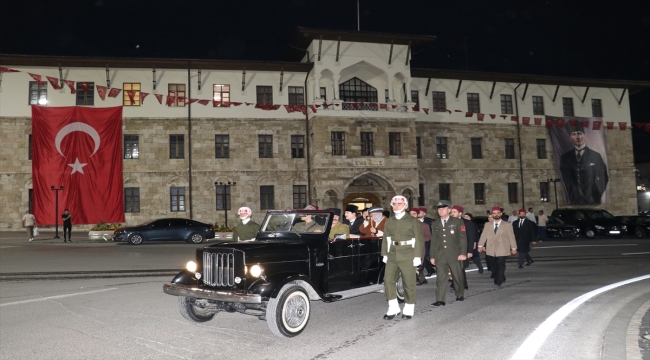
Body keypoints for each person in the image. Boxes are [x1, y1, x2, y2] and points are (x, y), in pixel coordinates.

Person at [381, 196, 424, 320]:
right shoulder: (390, 220)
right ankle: (393, 307)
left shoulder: (412, 221)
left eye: (399, 204)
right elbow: (386, 238)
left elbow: (418, 239)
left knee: (408, 282)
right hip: (393, 254)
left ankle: (409, 308)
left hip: (408, 253)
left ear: (405, 206)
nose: (396, 206)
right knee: (388, 280)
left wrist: (417, 256)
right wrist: (385, 253)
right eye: (394, 204)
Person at [559, 121, 609, 205]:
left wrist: (596, 193)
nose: (578, 137)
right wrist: (574, 193)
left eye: (580, 133)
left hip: (592, 198)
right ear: (570, 138)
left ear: (584, 136)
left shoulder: (596, 156)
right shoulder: (565, 157)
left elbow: (604, 176)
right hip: (574, 199)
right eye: (574, 134)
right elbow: (566, 178)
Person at [430, 200, 467, 306]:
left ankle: (459, 293)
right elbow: (434, 241)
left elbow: (462, 239)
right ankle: (440, 299)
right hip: (440, 255)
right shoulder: (435, 223)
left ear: (449, 210)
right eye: (439, 209)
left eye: (443, 208)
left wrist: (463, 253)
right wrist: (432, 256)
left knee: (457, 276)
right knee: (441, 278)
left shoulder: (457, 222)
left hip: (455, 254)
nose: (440, 210)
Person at [478, 206, 517, 289]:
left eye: (497, 213)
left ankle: (498, 281)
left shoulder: (507, 225)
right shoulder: (487, 224)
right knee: (493, 265)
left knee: (500, 264)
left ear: (501, 214)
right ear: (492, 214)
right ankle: (501, 276)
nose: (496, 215)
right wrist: (480, 245)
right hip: (491, 248)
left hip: (502, 248)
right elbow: (483, 235)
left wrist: (514, 247)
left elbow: (511, 237)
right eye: (494, 213)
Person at [451, 205, 482, 287]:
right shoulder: (449, 222)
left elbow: (471, 237)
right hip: (452, 250)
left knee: (460, 268)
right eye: (451, 212)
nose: (452, 214)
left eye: (454, 212)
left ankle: (459, 285)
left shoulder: (467, 223)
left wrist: (470, 251)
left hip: (463, 249)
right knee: (455, 267)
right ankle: (461, 284)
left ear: (460, 213)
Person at [414, 208, 433, 286]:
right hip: (410, 247)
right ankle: (422, 278)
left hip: (423, 246)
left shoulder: (426, 223)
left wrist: (419, 240)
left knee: (420, 263)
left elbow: (429, 236)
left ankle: (422, 277)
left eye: (414, 214)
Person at [417, 208, 436, 277]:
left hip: (427, 242)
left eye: (420, 212)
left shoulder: (429, 221)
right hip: (418, 243)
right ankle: (430, 270)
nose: (418, 213)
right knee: (423, 258)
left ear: (424, 214)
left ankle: (424, 274)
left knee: (425, 257)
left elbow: (431, 232)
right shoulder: (414, 221)